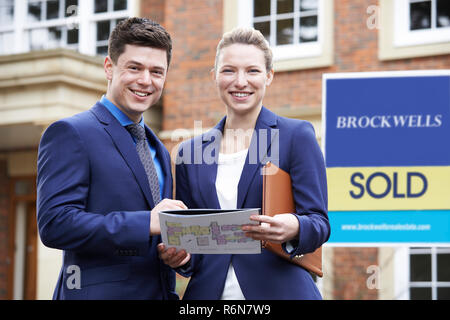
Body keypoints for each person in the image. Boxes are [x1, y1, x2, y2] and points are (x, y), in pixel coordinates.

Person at [158, 27, 330, 300]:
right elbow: (192, 248)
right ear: (214, 77)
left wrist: (294, 226)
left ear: (269, 76)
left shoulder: (296, 137)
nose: (240, 81)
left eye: (252, 71)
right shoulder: (188, 153)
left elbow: (320, 224)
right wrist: (180, 257)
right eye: (229, 71)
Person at [37, 17, 186, 300]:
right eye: (134, 68)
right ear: (109, 67)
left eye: (157, 71)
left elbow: (154, 233)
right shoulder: (70, 133)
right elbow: (56, 224)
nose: (145, 80)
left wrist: (175, 253)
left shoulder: (159, 150)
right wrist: (147, 223)